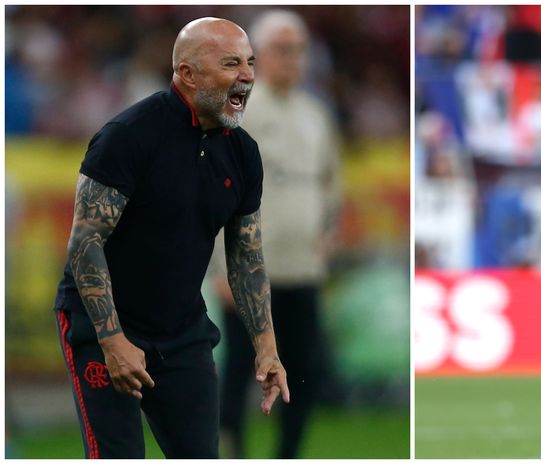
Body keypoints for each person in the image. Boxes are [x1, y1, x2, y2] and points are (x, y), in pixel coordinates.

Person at [52, 17, 289, 459]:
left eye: (251, 63)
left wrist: (267, 350)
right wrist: (113, 340)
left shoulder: (242, 152)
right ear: (188, 74)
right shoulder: (127, 137)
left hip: (182, 333)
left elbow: (246, 258)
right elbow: (85, 244)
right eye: (232, 63)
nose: (249, 75)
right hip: (103, 330)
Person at [211, 10, 340, 459]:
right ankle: (230, 453)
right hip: (249, 273)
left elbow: (330, 184)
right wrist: (219, 268)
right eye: (283, 49)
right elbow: (215, 194)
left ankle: (289, 455)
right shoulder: (238, 111)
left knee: (303, 374)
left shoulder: (317, 115)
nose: (293, 59)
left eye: (299, 49)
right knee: (237, 373)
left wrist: (327, 234)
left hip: (302, 269)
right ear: (259, 56)